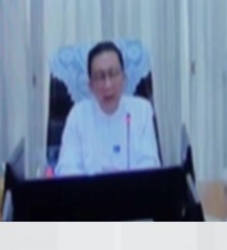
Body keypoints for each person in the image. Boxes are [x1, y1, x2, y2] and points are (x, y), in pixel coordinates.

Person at [54, 41, 161, 176]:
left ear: (124, 78)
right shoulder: (78, 116)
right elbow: (66, 168)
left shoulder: (142, 110)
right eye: (100, 77)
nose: (108, 84)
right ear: (90, 85)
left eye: (113, 74)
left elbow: (150, 163)